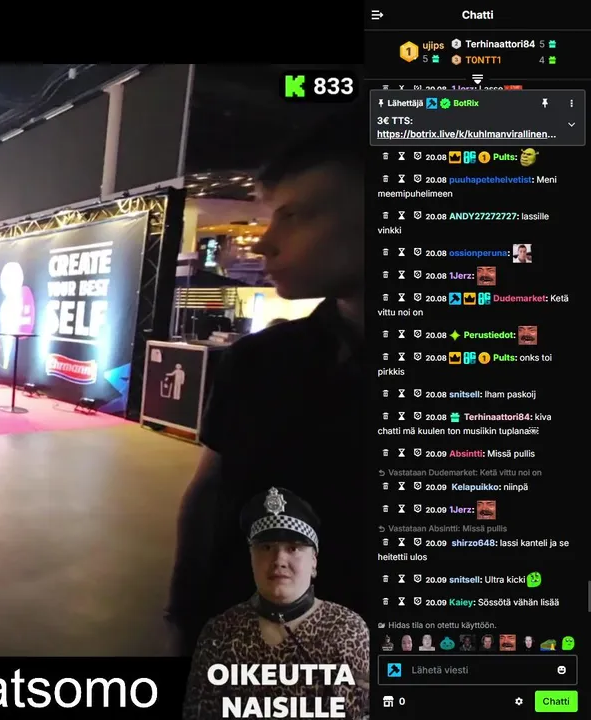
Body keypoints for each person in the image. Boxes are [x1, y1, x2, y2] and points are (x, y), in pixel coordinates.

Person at [164, 103, 365, 656]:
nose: (262, 243)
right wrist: (185, 619)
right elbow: (210, 497)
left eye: (296, 215)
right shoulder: (260, 360)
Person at [182, 487, 369, 720]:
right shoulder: (220, 633)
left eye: (293, 548)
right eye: (267, 547)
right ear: (251, 557)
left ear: (313, 561)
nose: (279, 560)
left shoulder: (348, 630)